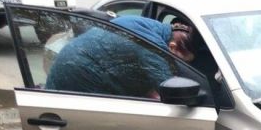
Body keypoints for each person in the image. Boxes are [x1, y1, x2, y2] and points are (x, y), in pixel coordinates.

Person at [45, 15, 196, 99]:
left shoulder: (150, 26)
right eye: (181, 61)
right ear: (173, 47)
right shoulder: (153, 47)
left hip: (71, 62)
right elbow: (168, 91)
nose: (177, 66)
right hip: (78, 76)